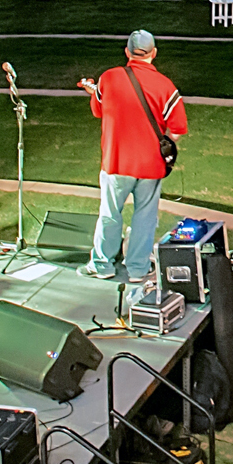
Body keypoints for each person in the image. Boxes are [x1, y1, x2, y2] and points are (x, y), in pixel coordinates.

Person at [79, 31, 187, 282]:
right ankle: (138, 269)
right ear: (154, 53)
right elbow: (178, 127)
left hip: (116, 163)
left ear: (127, 52)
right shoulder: (166, 86)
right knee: (145, 217)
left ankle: (102, 264)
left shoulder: (109, 78)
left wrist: (93, 90)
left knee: (109, 213)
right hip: (151, 165)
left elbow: (98, 109)